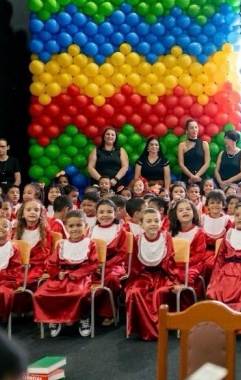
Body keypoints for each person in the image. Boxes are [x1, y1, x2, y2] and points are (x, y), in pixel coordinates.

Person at [34, 210, 99, 338]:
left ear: (85, 226)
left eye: (79, 225)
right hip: (61, 276)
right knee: (40, 294)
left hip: (81, 277)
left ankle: (83, 317)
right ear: (66, 227)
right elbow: (51, 263)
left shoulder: (90, 244)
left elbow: (93, 264)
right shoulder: (62, 244)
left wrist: (77, 274)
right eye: (71, 226)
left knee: (79, 293)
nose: (75, 229)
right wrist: (57, 273)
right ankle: (54, 318)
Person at [125, 208, 181, 341]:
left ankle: (158, 329)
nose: (153, 224)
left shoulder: (165, 237)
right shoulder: (137, 239)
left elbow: (170, 261)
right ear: (141, 224)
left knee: (159, 293)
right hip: (143, 275)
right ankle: (143, 329)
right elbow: (133, 264)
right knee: (136, 292)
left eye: (156, 220)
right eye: (148, 221)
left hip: (162, 275)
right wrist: (131, 282)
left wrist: (175, 281)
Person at [88, 198, 128, 326]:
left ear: (115, 214)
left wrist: (105, 265)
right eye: (101, 212)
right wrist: (95, 266)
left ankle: (108, 313)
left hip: (115, 265)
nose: (105, 215)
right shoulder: (90, 231)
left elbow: (122, 254)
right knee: (82, 278)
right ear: (96, 214)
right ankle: (86, 313)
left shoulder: (120, 230)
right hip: (94, 265)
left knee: (110, 278)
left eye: (109, 212)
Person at [177, 119, 210, 185]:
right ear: (187, 131)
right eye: (191, 128)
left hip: (201, 178)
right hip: (187, 179)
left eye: (196, 127)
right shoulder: (182, 145)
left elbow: (207, 163)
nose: (194, 129)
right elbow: (181, 164)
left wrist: (196, 176)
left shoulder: (204, 144)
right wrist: (192, 177)